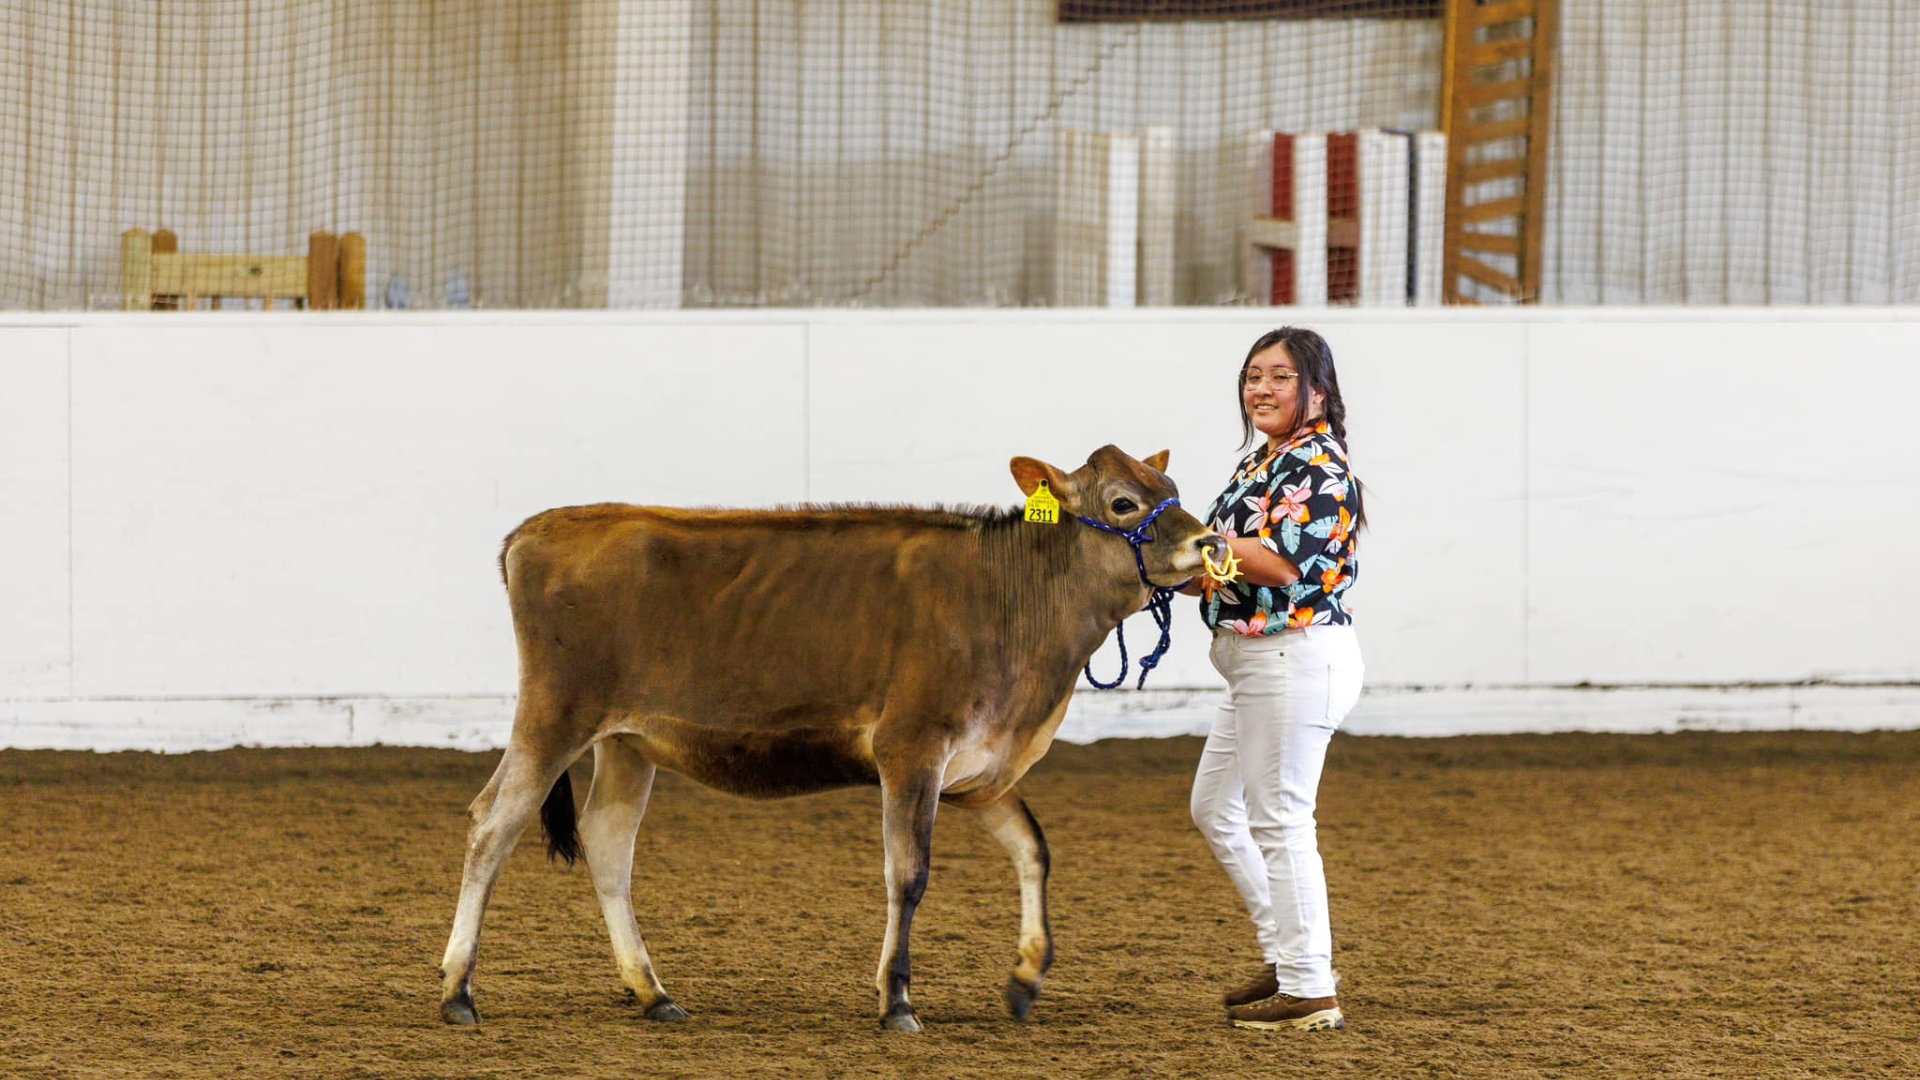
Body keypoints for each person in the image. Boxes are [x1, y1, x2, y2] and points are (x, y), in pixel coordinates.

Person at [1183, 326, 1366, 1032]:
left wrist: (1195, 550)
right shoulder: (1265, 462)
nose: (1260, 388)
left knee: (1282, 820)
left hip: (1290, 657)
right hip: (1257, 660)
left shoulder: (1316, 464)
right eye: (1253, 375)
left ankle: (1310, 987)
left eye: (1280, 377)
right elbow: (1233, 560)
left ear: (1316, 391)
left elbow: (1283, 564)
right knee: (1214, 808)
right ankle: (1292, 954)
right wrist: (1185, 571)